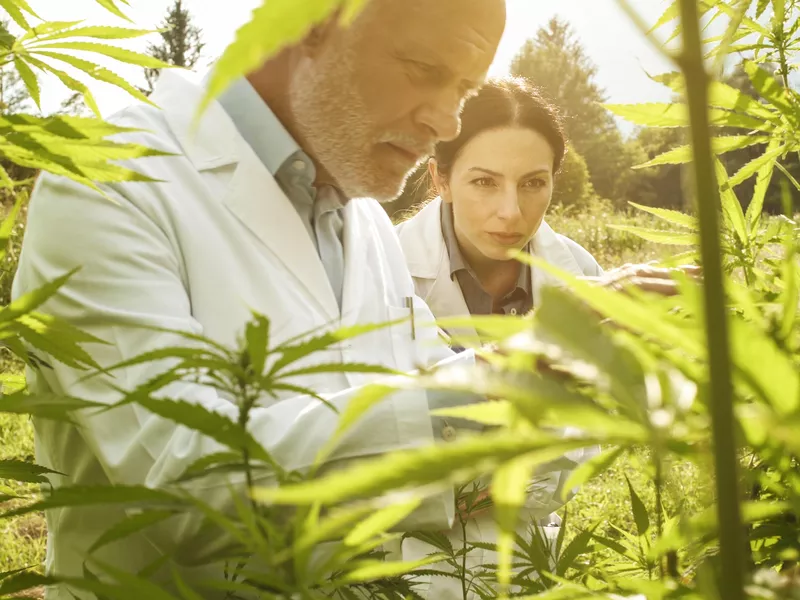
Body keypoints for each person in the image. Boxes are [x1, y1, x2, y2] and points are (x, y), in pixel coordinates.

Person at [11, 1, 510, 598]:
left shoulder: (366, 221)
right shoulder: (113, 182)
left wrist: (552, 374)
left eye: (465, 90)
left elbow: (435, 402)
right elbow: (182, 487)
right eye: (424, 70)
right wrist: (490, 385)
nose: (448, 124)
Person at [393, 77, 605, 598]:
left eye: (533, 183)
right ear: (440, 178)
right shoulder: (387, 270)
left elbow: (590, 425)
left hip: (530, 549)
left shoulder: (580, 273)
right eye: (485, 182)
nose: (511, 211)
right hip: (397, 559)